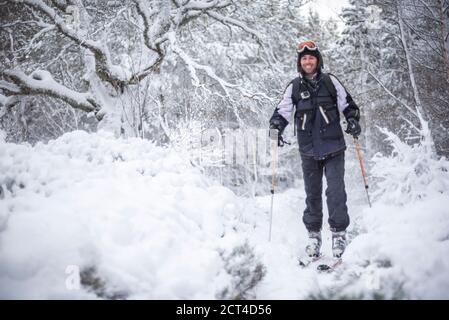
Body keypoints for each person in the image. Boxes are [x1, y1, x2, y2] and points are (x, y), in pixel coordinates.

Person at [269, 40, 361, 258]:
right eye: (304, 58)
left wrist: (353, 120)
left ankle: (338, 235)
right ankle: (314, 235)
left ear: (317, 60)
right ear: (300, 63)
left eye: (311, 57)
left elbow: (348, 104)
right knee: (313, 194)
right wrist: (275, 127)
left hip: (334, 147)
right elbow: (282, 111)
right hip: (308, 150)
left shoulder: (330, 82)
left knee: (335, 191)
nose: (307, 61)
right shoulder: (294, 87)